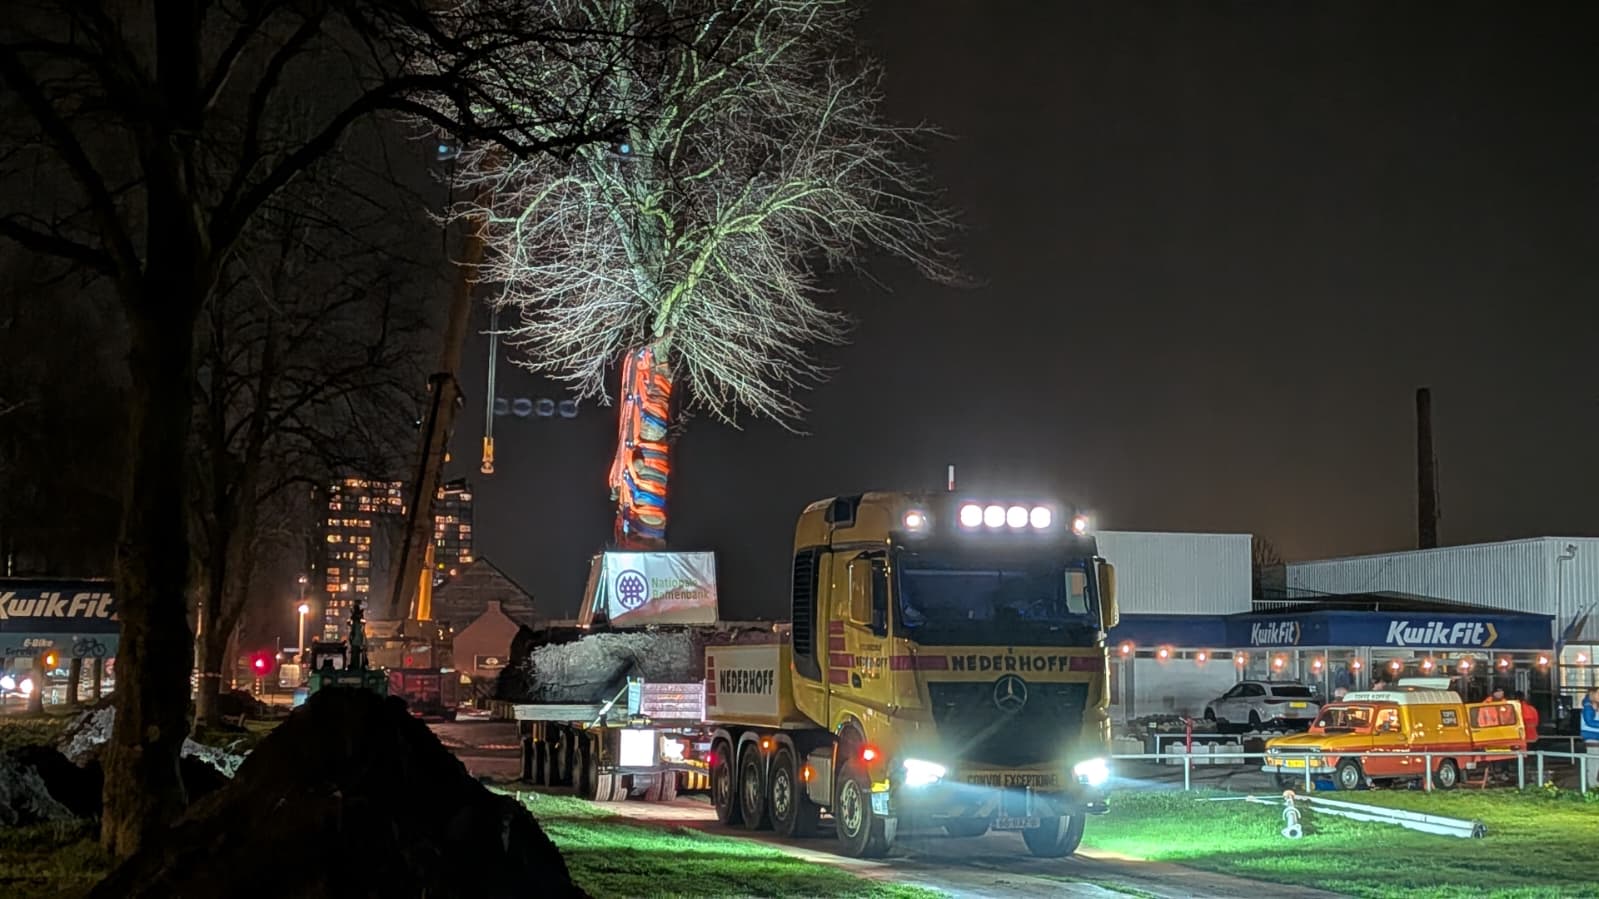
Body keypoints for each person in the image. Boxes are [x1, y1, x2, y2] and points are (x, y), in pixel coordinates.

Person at [1582, 687, 1599, 789]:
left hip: (1594, 738)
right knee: (1593, 764)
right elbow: (1589, 722)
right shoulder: (1588, 707)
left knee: (1594, 763)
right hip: (1593, 739)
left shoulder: (1591, 706)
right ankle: (1593, 787)